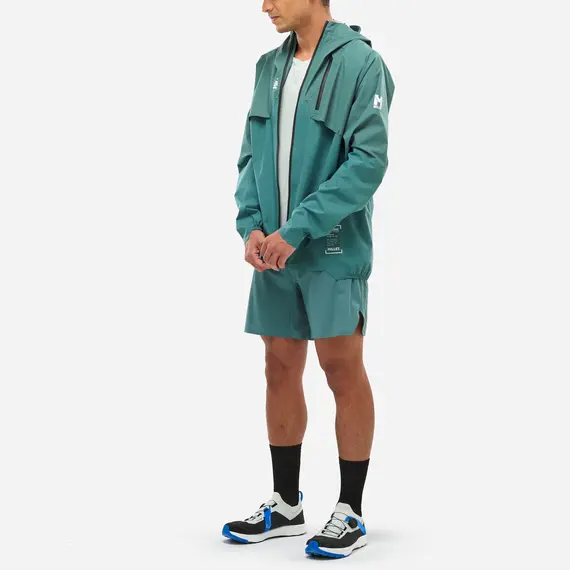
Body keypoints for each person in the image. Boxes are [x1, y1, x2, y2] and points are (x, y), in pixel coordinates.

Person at [223, 0, 395, 559]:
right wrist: (252, 226)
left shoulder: (362, 65)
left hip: (331, 248)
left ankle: (351, 509)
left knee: (341, 366)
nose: (265, 5)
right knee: (278, 366)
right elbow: (250, 157)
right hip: (273, 252)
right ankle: (286, 504)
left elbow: (368, 161)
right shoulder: (268, 67)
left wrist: (297, 229)